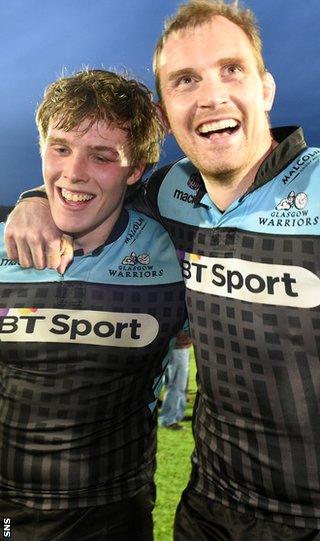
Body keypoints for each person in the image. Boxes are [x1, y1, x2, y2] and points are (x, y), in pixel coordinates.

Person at [4, 0, 320, 538]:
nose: (211, 95)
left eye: (231, 69)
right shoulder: (166, 197)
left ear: (265, 88)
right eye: (185, 80)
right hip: (208, 512)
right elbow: (87, 184)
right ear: (165, 111)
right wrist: (33, 199)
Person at [0, 68, 187, 541]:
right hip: (7, 510)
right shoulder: (5, 248)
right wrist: (32, 200)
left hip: (114, 513)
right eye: (60, 148)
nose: (74, 173)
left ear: (135, 171)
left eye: (102, 157)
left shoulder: (173, 248)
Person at [159, 330, 192, 430]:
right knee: (175, 386)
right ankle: (168, 420)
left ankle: (178, 415)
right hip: (177, 348)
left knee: (180, 385)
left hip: (182, 347)